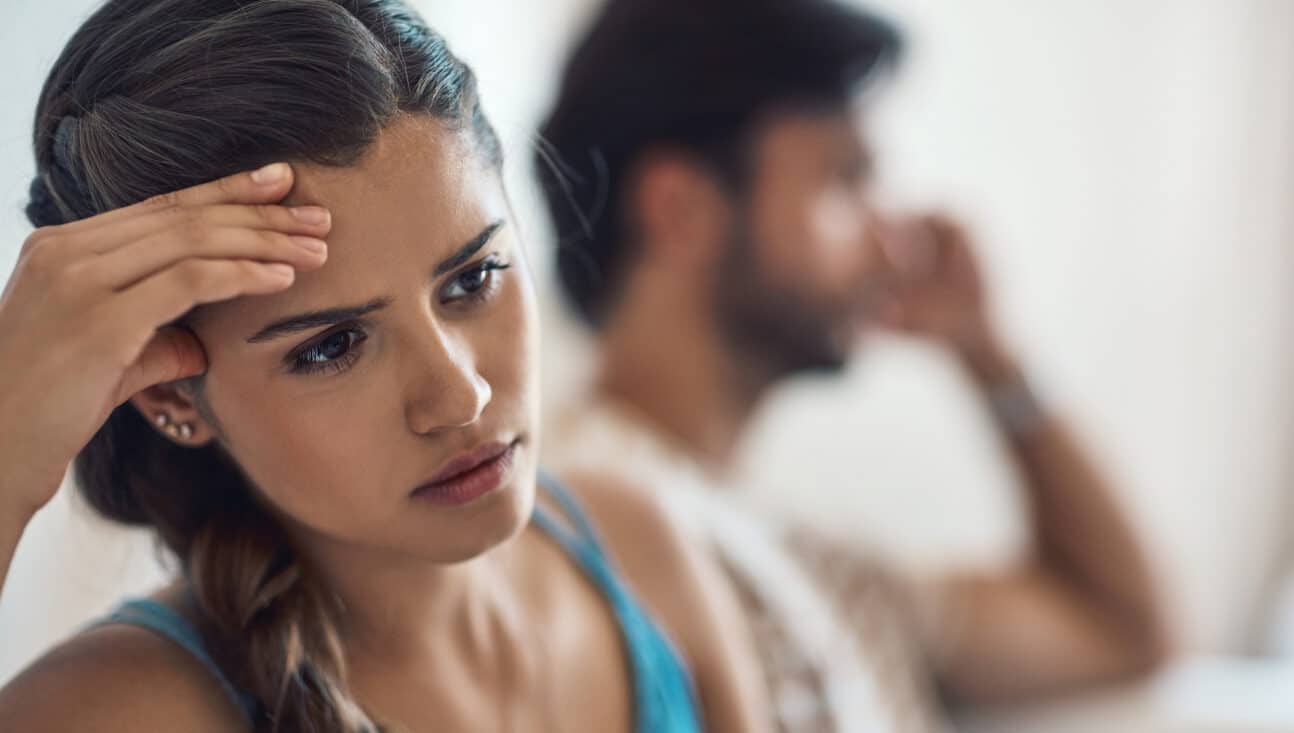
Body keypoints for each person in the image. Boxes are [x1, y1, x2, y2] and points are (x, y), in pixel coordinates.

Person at [0, 1, 768, 731]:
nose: (459, 395)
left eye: (473, 279)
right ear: (172, 392)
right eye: (331, 345)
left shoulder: (641, 544)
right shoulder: (119, 710)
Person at [536, 0, 1171, 730]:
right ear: (681, 209)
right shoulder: (571, 527)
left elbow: (1122, 628)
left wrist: (992, 356)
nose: (892, 243)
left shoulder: (815, 558)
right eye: (845, 180)